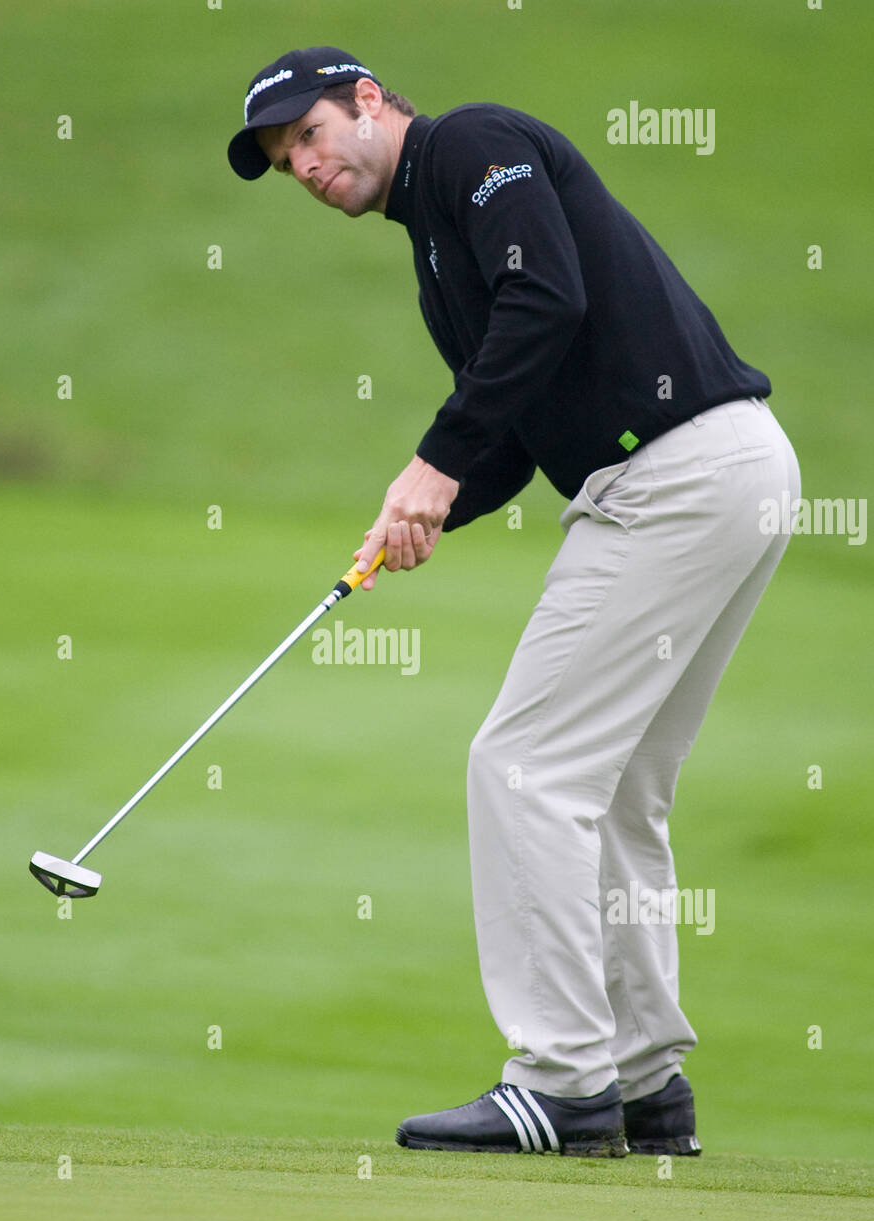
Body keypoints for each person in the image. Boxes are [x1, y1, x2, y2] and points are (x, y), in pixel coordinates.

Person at [227, 47, 800, 1157]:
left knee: (523, 764)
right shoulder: (433, 246)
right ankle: (644, 1086)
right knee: (618, 786)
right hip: (722, 474)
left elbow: (548, 295)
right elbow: (521, 416)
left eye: (307, 134)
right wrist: (422, 513)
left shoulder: (472, 148)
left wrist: (433, 460)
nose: (301, 164)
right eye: (281, 158)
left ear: (368, 101)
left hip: (676, 479)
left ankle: (563, 1079)